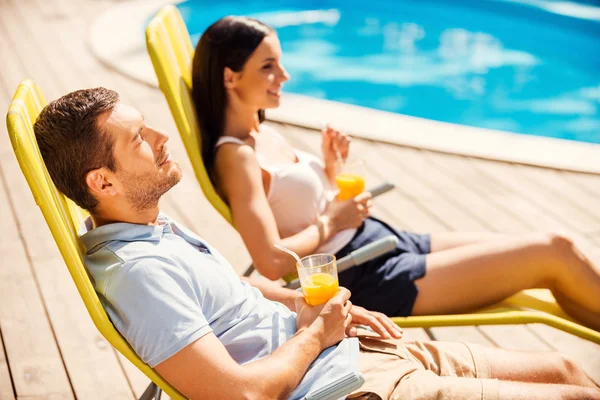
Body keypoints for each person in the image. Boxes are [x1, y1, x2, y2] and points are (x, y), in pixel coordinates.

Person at [32, 87, 600, 400]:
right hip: (342, 387)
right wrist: (318, 332)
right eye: (138, 139)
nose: (160, 138)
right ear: (101, 182)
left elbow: (239, 286)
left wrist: (315, 309)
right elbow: (241, 397)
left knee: (565, 370)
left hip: (351, 350)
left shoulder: (153, 229)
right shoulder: (139, 271)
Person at [191, 16, 600, 330]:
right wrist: (333, 218)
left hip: (383, 241)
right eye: (268, 66)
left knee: (542, 250)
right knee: (555, 250)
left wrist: (330, 170)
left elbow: (297, 204)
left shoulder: (262, 132)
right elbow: (271, 261)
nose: (284, 76)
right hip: (368, 274)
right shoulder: (237, 157)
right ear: (230, 76)